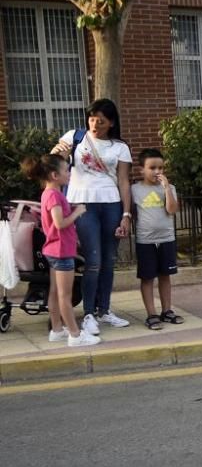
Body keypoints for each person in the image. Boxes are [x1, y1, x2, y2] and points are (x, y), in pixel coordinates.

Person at [50, 98, 133, 335]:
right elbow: (52, 165)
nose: (95, 124)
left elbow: (124, 181)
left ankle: (104, 310)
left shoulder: (120, 147)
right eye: (92, 118)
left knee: (109, 260)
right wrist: (60, 154)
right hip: (82, 205)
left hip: (111, 204)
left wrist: (126, 214)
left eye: (101, 120)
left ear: (111, 123)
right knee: (93, 261)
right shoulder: (74, 137)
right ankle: (88, 313)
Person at [20, 154, 100, 347]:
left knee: (55, 292)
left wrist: (69, 208)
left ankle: (56, 330)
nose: (69, 174)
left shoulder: (48, 193)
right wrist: (77, 212)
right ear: (55, 175)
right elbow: (60, 223)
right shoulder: (55, 195)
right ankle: (75, 334)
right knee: (65, 296)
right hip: (61, 251)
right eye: (66, 170)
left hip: (53, 250)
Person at [132, 148, 184, 330]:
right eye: (152, 168)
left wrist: (167, 189)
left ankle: (167, 310)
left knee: (165, 276)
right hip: (145, 241)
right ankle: (151, 314)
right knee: (147, 278)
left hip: (166, 239)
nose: (157, 172)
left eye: (161, 168)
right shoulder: (135, 190)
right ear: (142, 170)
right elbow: (131, 213)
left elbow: (171, 210)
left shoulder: (170, 189)